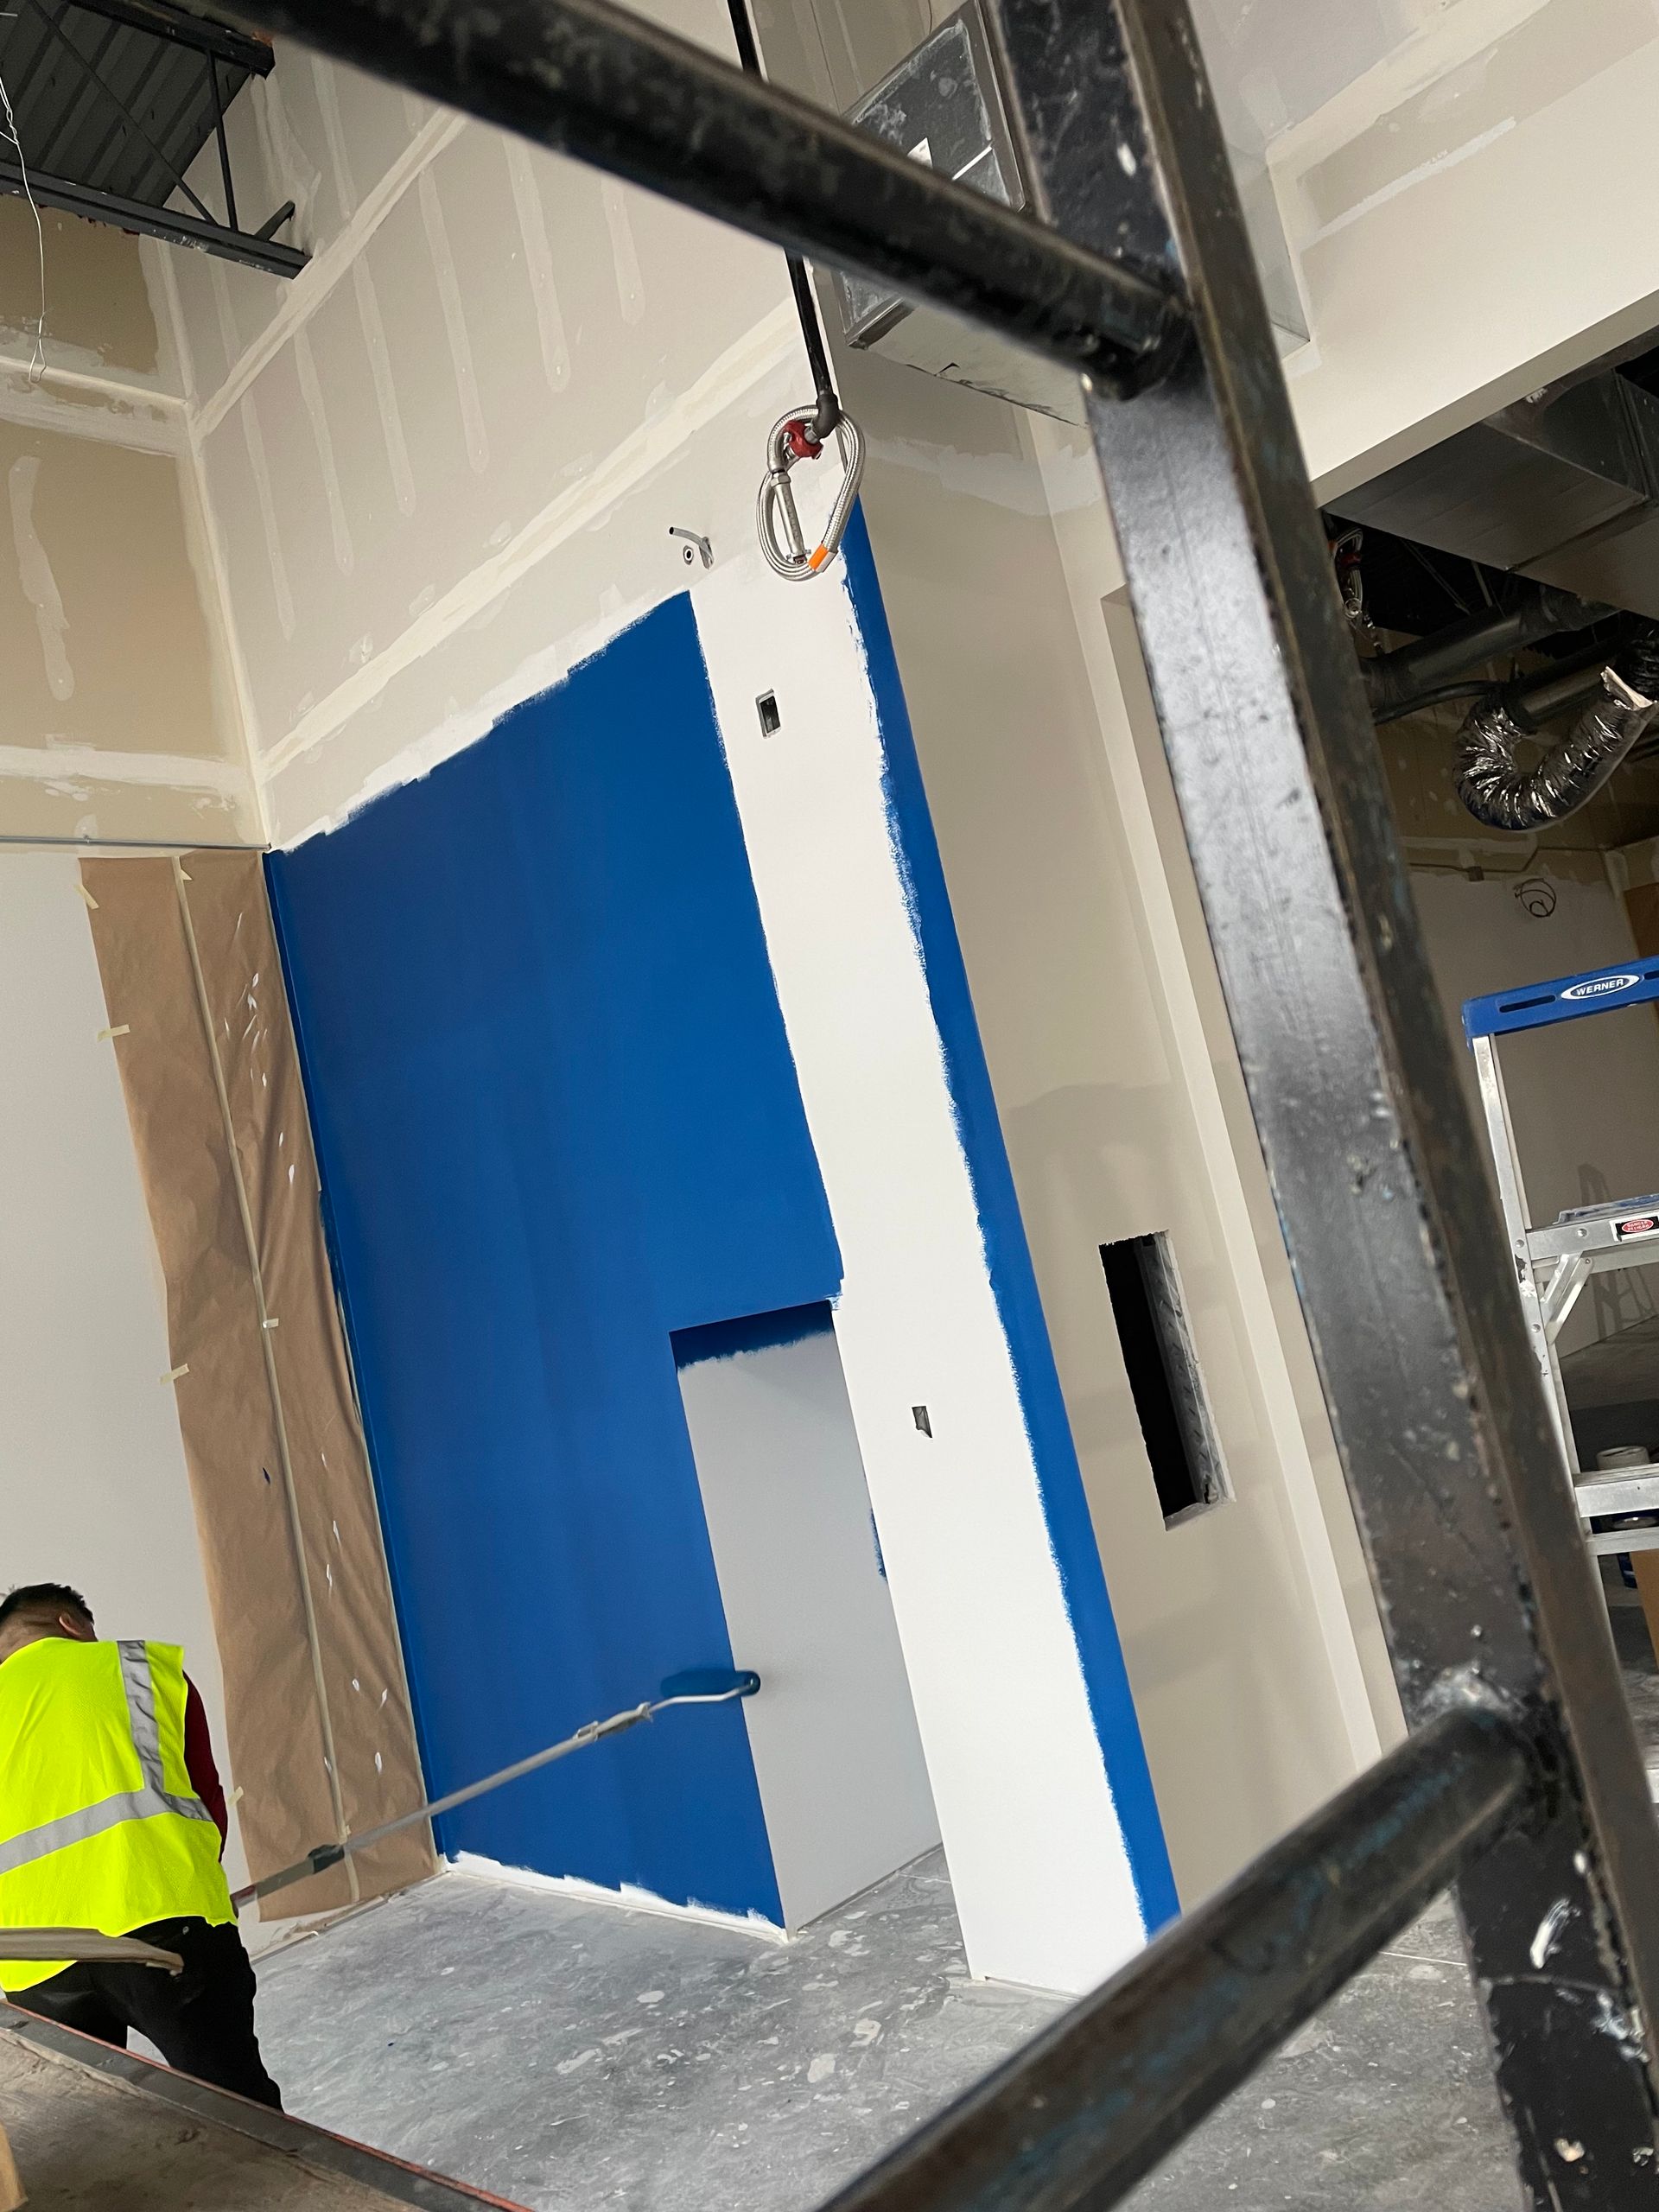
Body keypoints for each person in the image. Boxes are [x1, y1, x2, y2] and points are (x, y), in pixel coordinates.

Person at [0, 1582, 281, 2108]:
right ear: (70, 1625)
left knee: (96, 2135)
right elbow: (206, 1801)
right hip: (161, 1929)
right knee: (242, 2113)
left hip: (32, 1964)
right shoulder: (135, 1669)